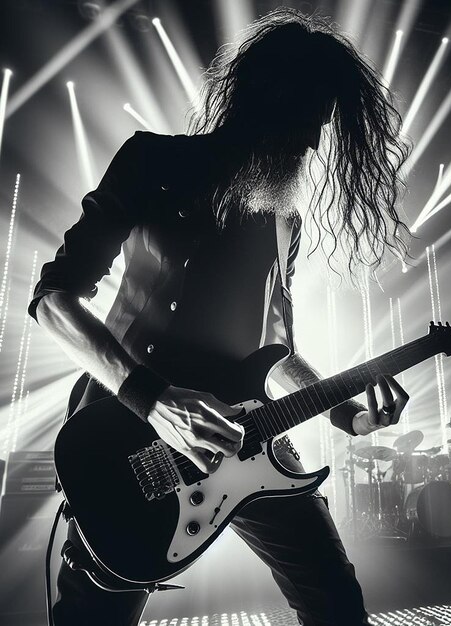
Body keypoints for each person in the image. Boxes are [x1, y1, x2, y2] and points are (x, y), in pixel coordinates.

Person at [29, 8, 412, 626]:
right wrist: (152, 400)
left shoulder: (285, 221)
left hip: (249, 440)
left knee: (336, 602)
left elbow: (276, 353)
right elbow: (53, 300)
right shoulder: (152, 162)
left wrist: (351, 411)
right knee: (95, 616)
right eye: (309, 118)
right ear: (270, 100)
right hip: (130, 435)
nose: (315, 141)